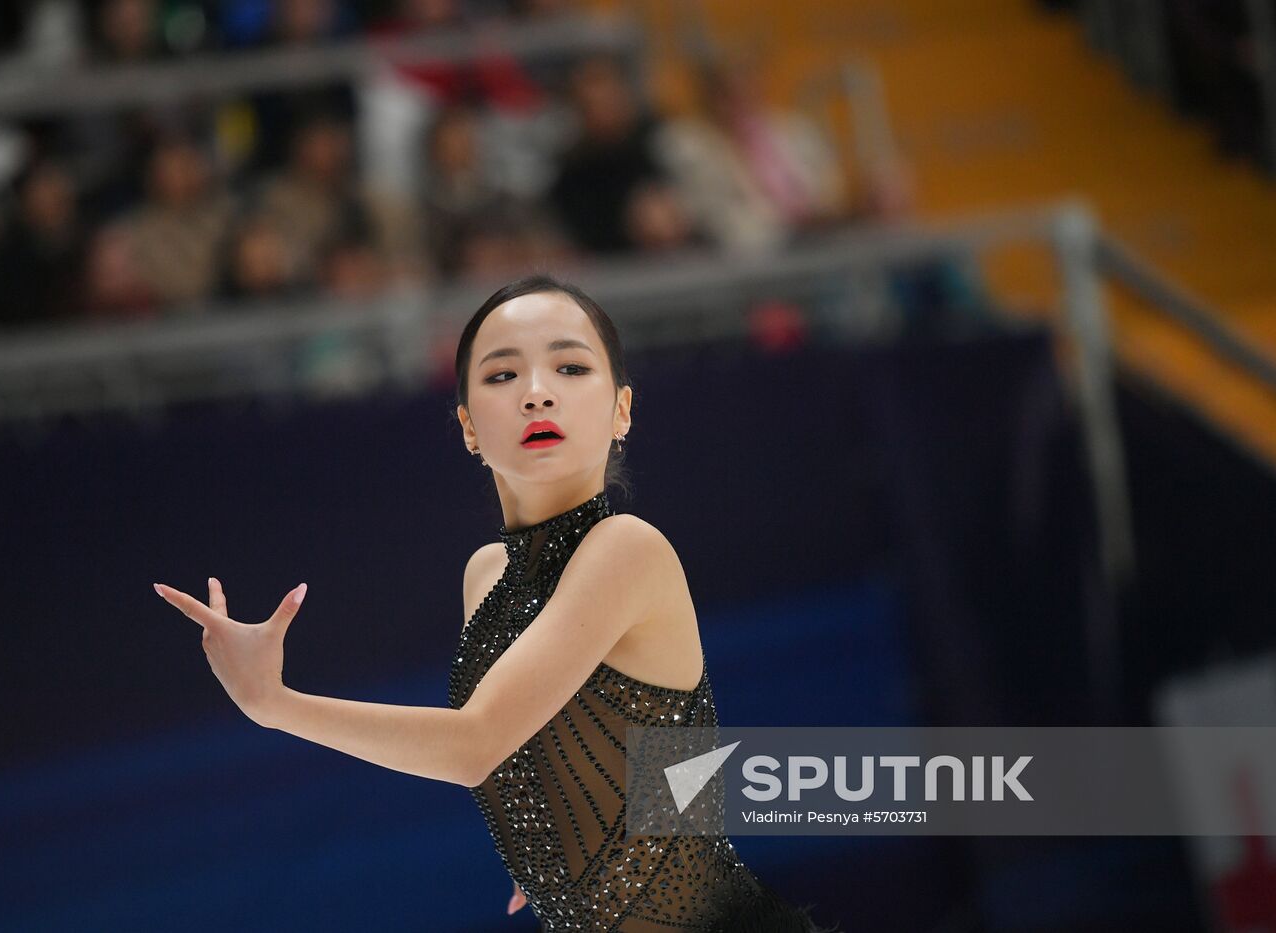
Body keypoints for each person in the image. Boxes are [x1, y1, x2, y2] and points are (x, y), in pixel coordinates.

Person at [153, 274, 835, 931]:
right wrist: (561, 840)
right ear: (468, 425)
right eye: (503, 375)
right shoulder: (486, 577)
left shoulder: (627, 549)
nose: (537, 394)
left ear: (622, 408)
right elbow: (575, 747)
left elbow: (475, 744)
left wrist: (276, 704)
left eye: (570, 369)